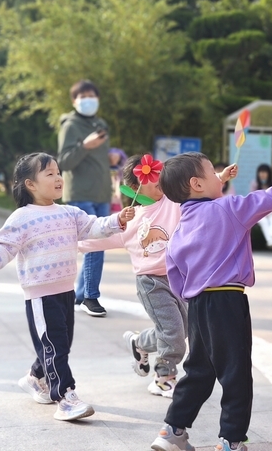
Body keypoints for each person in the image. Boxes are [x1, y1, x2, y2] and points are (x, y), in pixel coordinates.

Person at [150, 152, 272, 451]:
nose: (218, 175)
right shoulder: (229, 208)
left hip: (198, 306)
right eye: (212, 172)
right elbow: (270, 198)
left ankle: (171, 430)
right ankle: (232, 440)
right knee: (235, 373)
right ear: (196, 183)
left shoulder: (182, 226)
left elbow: (174, 271)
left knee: (198, 370)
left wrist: (191, 295)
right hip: (228, 302)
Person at [0, 153, 135, 422]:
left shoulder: (69, 213)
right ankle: (64, 397)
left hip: (65, 291)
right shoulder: (22, 217)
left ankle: (34, 377)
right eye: (49, 174)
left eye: (59, 172)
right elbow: (4, 245)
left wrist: (117, 220)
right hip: (41, 294)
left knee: (59, 345)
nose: (58, 178)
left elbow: (93, 226)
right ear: (31, 184)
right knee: (56, 348)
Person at [78, 156, 237, 399]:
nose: (158, 180)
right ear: (134, 188)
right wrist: (67, 241)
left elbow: (199, 191)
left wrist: (221, 178)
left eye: (158, 174)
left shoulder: (173, 201)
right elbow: (97, 239)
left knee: (180, 329)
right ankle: (163, 377)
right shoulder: (129, 221)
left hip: (178, 280)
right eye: (150, 178)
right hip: (151, 283)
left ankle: (140, 342)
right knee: (173, 334)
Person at [57, 79, 112, 317]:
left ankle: (80, 295)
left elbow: (100, 159)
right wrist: (84, 146)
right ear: (74, 101)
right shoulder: (70, 126)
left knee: (100, 244)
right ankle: (90, 296)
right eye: (83, 96)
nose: (88, 100)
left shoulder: (101, 124)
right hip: (80, 194)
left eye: (92, 95)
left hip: (101, 192)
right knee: (94, 245)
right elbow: (64, 162)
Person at [250, 164, 272, 251]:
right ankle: (271, 240)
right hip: (259, 212)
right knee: (264, 222)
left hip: (271, 211)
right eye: (261, 172)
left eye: (264, 172)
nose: (262, 174)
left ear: (268, 173)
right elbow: (252, 199)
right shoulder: (255, 184)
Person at [109, 148, 127, 212]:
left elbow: (117, 182)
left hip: (115, 196)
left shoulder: (119, 170)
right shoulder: (108, 169)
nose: (113, 158)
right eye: (111, 156)